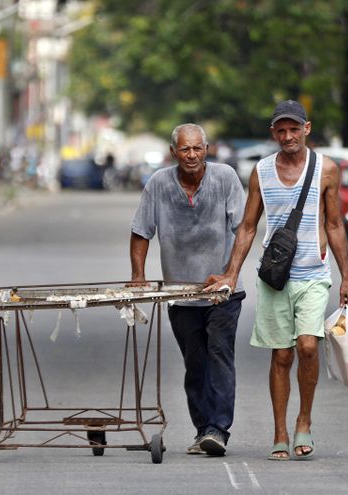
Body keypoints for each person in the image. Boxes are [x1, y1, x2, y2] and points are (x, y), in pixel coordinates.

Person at [205, 100, 348, 461]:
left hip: (314, 275)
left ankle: (304, 420)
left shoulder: (327, 170)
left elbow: (334, 225)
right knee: (282, 355)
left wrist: (347, 278)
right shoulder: (261, 172)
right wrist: (231, 272)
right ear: (273, 133)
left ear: (307, 129)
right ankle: (280, 431)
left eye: (294, 129)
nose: (287, 136)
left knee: (307, 346)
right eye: (281, 130)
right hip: (275, 277)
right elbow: (247, 226)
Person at [130, 123, 246, 457]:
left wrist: (230, 273)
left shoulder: (224, 178)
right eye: (185, 149)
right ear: (173, 153)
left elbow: (244, 230)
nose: (191, 155)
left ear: (206, 150)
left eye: (197, 148)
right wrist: (138, 276)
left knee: (220, 355)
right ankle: (203, 430)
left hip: (222, 292)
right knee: (195, 364)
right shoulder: (159, 184)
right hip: (180, 295)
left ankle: (218, 429)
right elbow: (141, 232)